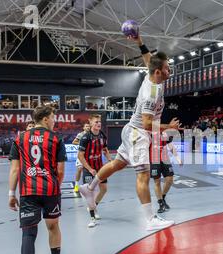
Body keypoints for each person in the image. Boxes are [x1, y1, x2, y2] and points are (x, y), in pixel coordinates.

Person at [79, 30, 181, 231]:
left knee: (117, 164)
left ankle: (89, 188)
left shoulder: (152, 77)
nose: (170, 71)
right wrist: (169, 126)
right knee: (142, 176)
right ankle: (150, 219)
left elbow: (148, 59)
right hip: (138, 133)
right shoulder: (151, 93)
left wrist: (140, 41)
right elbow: (146, 124)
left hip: (130, 130)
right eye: (168, 69)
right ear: (159, 72)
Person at [8, 105, 67, 254]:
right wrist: (54, 187)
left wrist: (11, 193)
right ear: (45, 119)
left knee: (28, 233)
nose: (54, 121)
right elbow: (60, 171)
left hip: (28, 193)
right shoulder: (56, 138)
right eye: (52, 117)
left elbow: (15, 170)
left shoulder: (20, 138)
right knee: (53, 226)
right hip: (50, 190)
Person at [78, 114, 110, 227]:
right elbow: (80, 156)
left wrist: (110, 160)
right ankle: (92, 218)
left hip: (100, 167)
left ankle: (94, 206)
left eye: (99, 122)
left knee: (104, 189)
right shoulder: (85, 137)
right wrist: (89, 169)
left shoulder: (102, 135)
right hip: (89, 168)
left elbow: (105, 149)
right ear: (90, 123)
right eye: (96, 122)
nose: (99, 123)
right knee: (90, 193)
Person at [151, 132, 182, 215]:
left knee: (169, 179)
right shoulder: (149, 133)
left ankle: (163, 197)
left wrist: (178, 158)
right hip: (154, 160)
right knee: (157, 182)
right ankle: (161, 204)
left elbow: (171, 147)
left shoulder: (165, 134)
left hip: (165, 159)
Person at [72, 123, 91, 192]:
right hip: (81, 155)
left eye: (89, 126)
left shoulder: (92, 135)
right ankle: (76, 185)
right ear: (84, 128)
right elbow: (74, 142)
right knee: (79, 169)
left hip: (89, 155)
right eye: (86, 126)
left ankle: (87, 186)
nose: (88, 127)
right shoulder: (80, 134)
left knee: (89, 171)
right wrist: (82, 143)